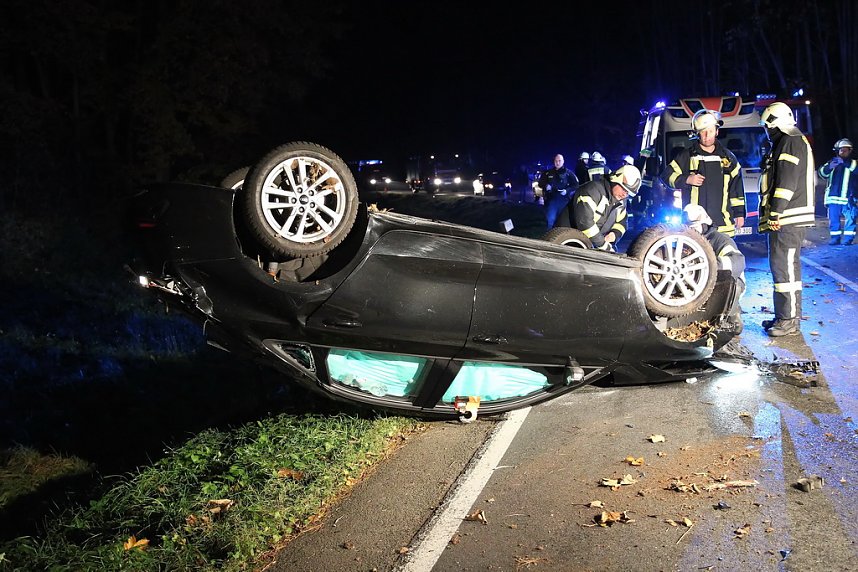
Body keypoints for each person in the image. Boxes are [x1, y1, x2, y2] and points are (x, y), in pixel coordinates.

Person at [758, 102, 816, 337]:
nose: (766, 132)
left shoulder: (790, 141)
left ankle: (789, 320)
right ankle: (783, 316)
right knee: (781, 269)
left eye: (766, 126)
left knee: (786, 271)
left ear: (774, 122)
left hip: (788, 218)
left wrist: (776, 212)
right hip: (787, 217)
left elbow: (786, 183)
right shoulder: (789, 141)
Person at [659, 109, 747, 237]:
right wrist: (686, 180)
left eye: (710, 131)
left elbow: (736, 189)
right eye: (703, 132)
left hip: (723, 225)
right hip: (695, 226)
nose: (706, 136)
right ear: (697, 133)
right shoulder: (686, 156)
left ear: (717, 131)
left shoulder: (728, 158)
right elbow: (666, 175)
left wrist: (739, 214)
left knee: (725, 256)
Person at [683, 204, 745, 332]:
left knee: (734, 285)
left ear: (704, 225)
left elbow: (738, 262)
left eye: (694, 228)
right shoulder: (685, 241)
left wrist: (709, 266)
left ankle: (731, 315)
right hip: (699, 284)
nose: (691, 232)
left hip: (722, 283)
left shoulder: (720, 240)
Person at [571, 164, 641, 251]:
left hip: (593, 244)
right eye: (624, 189)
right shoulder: (592, 190)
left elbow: (622, 222)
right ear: (615, 180)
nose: (624, 195)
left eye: (627, 193)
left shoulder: (620, 200)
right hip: (569, 241)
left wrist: (614, 234)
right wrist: (603, 245)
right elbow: (585, 222)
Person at [819, 138, 858, 245]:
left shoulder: (853, 163)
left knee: (850, 218)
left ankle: (848, 239)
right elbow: (822, 173)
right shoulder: (832, 162)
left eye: (846, 150)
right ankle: (835, 238)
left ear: (850, 151)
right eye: (841, 150)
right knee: (834, 220)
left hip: (849, 198)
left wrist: (845, 162)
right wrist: (830, 167)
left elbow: (856, 170)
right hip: (833, 197)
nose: (843, 152)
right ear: (837, 151)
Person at [538, 153, 579, 228]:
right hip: (551, 201)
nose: (557, 162)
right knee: (550, 221)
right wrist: (546, 185)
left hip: (564, 201)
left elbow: (576, 185)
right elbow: (540, 183)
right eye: (556, 161)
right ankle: (549, 237)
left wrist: (567, 191)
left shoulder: (568, 173)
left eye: (559, 161)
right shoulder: (548, 173)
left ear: (563, 161)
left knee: (563, 222)